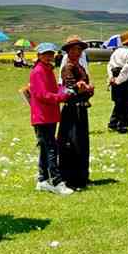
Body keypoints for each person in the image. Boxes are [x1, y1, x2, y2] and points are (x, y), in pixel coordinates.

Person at [28, 43, 74, 195]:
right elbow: (43, 95)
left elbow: (53, 90)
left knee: (45, 147)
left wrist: (64, 90)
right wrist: (62, 96)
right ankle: (56, 181)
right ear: (39, 55)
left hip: (48, 115)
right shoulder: (38, 71)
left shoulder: (47, 70)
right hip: (42, 116)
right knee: (51, 148)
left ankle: (42, 180)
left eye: (51, 54)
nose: (49, 56)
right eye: (46, 54)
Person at [58, 36, 93, 189]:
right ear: (68, 51)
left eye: (79, 49)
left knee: (82, 142)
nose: (77, 52)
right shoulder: (67, 67)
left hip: (82, 107)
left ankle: (82, 176)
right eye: (73, 49)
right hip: (72, 109)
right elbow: (71, 88)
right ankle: (71, 177)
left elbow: (86, 88)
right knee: (72, 143)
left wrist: (87, 89)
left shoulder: (80, 67)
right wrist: (82, 88)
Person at [107, 32, 128, 133]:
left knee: (118, 102)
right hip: (124, 79)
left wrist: (111, 78)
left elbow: (110, 65)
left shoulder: (116, 52)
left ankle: (113, 123)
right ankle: (123, 125)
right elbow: (126, 68)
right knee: (126, 103)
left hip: (115, 76)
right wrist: (119, 81)